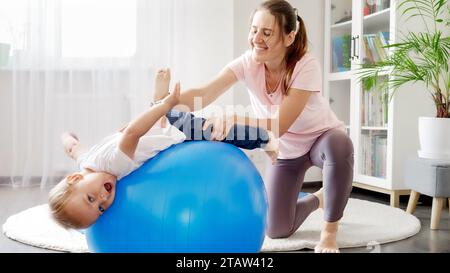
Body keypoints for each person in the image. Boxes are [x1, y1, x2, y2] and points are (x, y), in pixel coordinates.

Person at [172, 0, 354, 253]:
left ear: (289, 37)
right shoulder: (248, 63)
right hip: (285, 151)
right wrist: (167, 103)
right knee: (276, 229)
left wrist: (234, 118)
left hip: (320, 139)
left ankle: (329, 231)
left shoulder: (305, 64)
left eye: (266, 33)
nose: (257, 38)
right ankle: (319, 199)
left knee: (339, 144)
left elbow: (279, 124)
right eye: (254, 30)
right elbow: (205, 91)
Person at [49, 69, 278, 230]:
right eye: (100, 208)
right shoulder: (85, 160)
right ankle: (156, 101)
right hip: (159, 122)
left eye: (90, 198)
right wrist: (65, 137)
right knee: (171, 121)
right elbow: (73, 148)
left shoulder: (115, 165)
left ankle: (265, 139)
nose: (103, 198)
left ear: (76, 178)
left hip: (175, 128)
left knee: (218, 133)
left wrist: (165, 105)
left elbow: (132, 133)